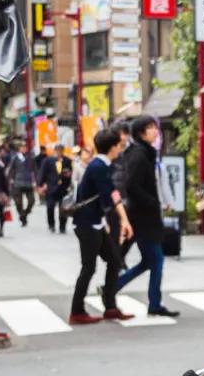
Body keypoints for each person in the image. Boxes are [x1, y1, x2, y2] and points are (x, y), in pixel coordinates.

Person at [113, 116, 180, 317]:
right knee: (156, 261)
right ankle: (153, 304)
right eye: (151, 128)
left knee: (149, 261)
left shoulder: (145, 153)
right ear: (141, 132)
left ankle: (114, 287)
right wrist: (152, 202)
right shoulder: (139, 155)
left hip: (144, 217)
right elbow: (132, 186)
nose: (155, 132)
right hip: (143, 218)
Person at [68, 127, 128, 323]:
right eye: (119, 145)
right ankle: (77, 311)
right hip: (88, 224)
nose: (121, 149)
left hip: (95, 223)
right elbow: (107, 197)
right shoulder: (99, 167)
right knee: (89, 267)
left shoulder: (101, 165)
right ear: (112, 147)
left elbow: (110, 194)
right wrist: (116, 223)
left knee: (114, 260)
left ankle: (110, 306)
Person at [39, 144, 74, 234]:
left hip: (63, 188)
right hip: (51, 187)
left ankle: (62, 226)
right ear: (55, 151)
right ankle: (51, 225)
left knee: (63, 208)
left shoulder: (67, 160)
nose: (59, 152)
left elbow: (71, 173)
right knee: (50, 206)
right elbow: (43, 173)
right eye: (58, 150)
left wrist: (69, 180)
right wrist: (41, 185)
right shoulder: (48, 161)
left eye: (61, 150)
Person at [6, 139, 37, 227]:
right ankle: (22, 216)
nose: (24, 149)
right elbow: (11, 169)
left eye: (25, 147)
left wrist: (36, 182)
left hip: (28, 182)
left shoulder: (31, 157)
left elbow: (35, 170)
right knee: (18, 202)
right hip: (17, 182)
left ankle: (24, 214)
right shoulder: (15, 158)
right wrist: (9, 180)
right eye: (22, 147)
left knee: (32, 201)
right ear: (19, 149)